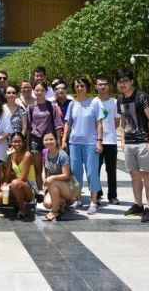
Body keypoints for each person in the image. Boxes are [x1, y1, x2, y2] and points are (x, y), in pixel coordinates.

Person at [116, 67, 149, 223]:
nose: (122, 84)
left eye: (125, 81)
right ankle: (138, 205)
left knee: (147, 174)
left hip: (143, 142)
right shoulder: (120, 100)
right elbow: (123, 121)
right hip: (130, 143)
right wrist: (123, 139)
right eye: (120, 82)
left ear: (132, 81)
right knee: (134, 175)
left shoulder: (142, 97)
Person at [61, 76, 103, 215]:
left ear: (87, 87)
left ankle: (93, 202)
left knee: (92, 173)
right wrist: (64, 140)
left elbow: (99, 123)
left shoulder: (95, 103)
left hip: (90, 143)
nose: (79, 88)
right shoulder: (73, 104)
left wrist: (99, 141)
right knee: (76, 173)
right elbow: (67, 123)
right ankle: (78, 200)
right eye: (77, 86)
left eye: (82, 86)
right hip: (74, 143)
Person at [27, 81, 64, 191]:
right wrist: (27, 145)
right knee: (38, 168)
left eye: (42, 90)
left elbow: (58, 125)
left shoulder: (52, 106)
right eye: (37, 90)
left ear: (46, 92)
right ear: (34, 91)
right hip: (35, 140)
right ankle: (40, 192)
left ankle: (49, 191)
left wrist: (59, 141)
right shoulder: (31, 107)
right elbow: (29, 127)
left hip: (49, 140)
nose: (39, 92)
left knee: (50, 168)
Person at [0, 132, 34, 221]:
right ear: (11, 142)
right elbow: (6, 176)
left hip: (29, 188)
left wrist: (7, 187)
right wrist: (3, 185)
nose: (17, 144)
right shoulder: (12, 156)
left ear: (23, 142)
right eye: (14, 142)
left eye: (19, 141)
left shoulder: (27, 155)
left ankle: (23, 212)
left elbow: (23, 178)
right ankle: (18, 203)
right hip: (17, 186)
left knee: (15, 182)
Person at [41, 131, 79, 223]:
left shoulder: (62, 155)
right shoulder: (47, 153)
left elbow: (66, 175)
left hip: (70, 186)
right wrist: (45, 185)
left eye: (51, 139)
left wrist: (52, 178)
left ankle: (54, 212)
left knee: (53, 182)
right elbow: (48, 171)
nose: (48, 142)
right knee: (47, 204)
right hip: (57, 185)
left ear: (57, 140)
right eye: (46, 139)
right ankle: (61, 204)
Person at [95, 75, 121, 205]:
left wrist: (108, 131)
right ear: (96, 86)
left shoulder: (114, 102)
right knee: (96, 169)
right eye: (100, 84)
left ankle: (112, 195)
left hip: (110, 140)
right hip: (96, 141)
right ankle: (97, 194)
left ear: (108, 86)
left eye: (105, 84)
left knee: (111, 170)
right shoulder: (93, 102)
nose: (103, 86)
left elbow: (117, 123)